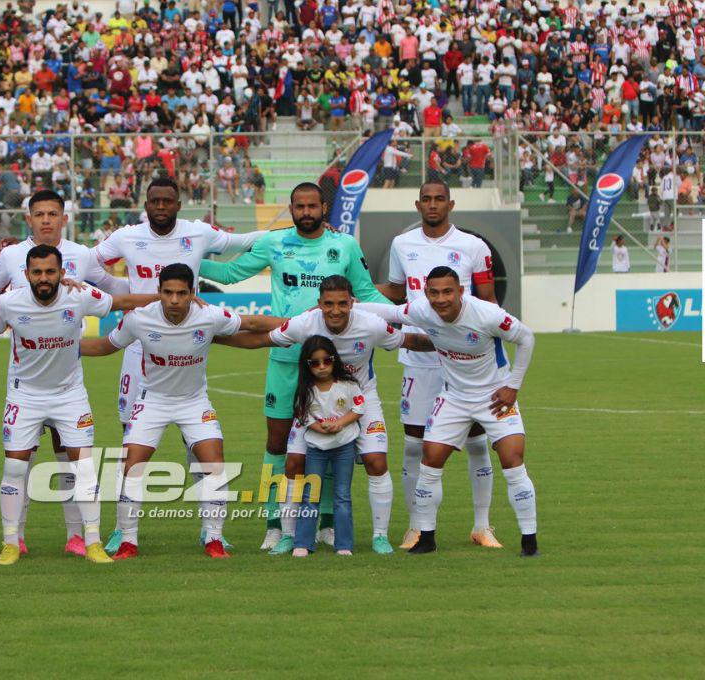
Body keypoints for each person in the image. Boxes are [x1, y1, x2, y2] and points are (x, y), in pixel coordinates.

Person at [198, 182, 389, 551]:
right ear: (291, 208)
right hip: (286, 358)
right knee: (277, 442)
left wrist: (413, 313)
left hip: (333, 366)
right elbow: (228, 274)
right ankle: (275, 523)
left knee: (335, 439)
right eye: (299, 206)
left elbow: (366, 294)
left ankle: (328, 525)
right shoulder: (274, 243)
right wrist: (181, 259)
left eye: (312, 206)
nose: (305, 212)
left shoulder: (344, 245)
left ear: (323, 208)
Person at [92, 177, 264, 554]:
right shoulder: (126, 236)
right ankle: (124, 531)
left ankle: (210, 529)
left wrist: (286, 234)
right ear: (146, 202)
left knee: (198, 442)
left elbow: (244, 242)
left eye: (168, 201)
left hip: (185, 335)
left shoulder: (198, 233)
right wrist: (124, 295)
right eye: (155, 201)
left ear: (179, 203)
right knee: (131, 440)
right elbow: (90, 263)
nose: (161, 207)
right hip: (141, 343)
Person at [215, 275, 433, 554]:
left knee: (376, 462)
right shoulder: (305, 323)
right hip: (314, 403)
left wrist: (453, 344)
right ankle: (288, 536)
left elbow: (410, 340)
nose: (335, 310)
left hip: (361, 400)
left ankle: (380, 537)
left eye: (342, 303)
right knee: (293, 464)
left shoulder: (371, 325)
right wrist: (214, 339)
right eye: (328, 304)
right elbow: (262, 339)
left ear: (352, 302)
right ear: (319, 304)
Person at [0, 244, 159, 565]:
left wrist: (163, 299)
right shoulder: (9, 303)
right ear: (26, 275)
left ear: (62, 273)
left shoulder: (80, 296)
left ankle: (93, 541)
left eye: (50, 272)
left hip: (70, 395)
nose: (44, 278)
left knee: (83, 467)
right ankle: (11, 543)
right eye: (37, 272)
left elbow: (122, 302)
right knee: (15, 467)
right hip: (24, 395)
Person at [80, 263, 283, 559]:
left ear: (192, 293)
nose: (174, 300)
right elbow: (104, 346)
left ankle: (213, 539)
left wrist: (304, 323)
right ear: (158, 292)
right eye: (168, 293)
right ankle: (128, 541)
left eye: (181, 293)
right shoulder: (139, 320)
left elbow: (251, 325)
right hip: (153, 401)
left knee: (214, 463)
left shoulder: (209, 316)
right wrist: (63, 345)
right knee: (131, 467)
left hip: (194, 401)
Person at [0, 189, 129, 555]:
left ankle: (80, 537)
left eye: (53, 213)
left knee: (73, 460)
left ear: (64, 218)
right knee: (19, 463)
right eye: (39, 214)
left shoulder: (82, 256)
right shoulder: (10, 257)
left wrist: (166, 293)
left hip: (68, 385)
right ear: (28, 218)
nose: (46, 219)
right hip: (25, 383)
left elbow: (113, 291)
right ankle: (14, 541)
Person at [361, 267, 538, 557]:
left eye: (447, 292)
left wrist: (512, 386)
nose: (441, 299)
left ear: (460, 291)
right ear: (426, 294)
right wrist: (350, 305)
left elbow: (526, 338)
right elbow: (390, 312)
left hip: (494, 397)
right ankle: (426, 537)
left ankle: (529, 541)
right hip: (453, 397)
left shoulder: (487, 314)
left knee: (512, 460)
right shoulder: (422, 311)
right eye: (434, 292)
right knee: (430, 459)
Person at [376, 179, 501, 551]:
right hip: (420, 358)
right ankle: (416, 527)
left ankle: (482, 526)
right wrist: (356, 292)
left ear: (451, 204)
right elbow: (398, 293)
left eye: (439, 200)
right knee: (415, 446)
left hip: (465, 363)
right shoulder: (402, 244)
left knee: (478, 443)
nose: (433, 205)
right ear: (418, 206)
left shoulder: (473, 246)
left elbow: (489, 300)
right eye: (426, 200)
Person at [289, 336, 365, 557]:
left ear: (334, 360)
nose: (322, 367)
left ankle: (343, 545)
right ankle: (302, 543)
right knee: (310, 495)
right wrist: (319, 428)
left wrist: (340, 423)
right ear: (307, 365)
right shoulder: (306, 389)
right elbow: (302, 414)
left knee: (342, 495)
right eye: (315, 363)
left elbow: (358, 408)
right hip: (316, 448)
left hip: (344, 446)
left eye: (326, 361)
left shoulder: (348, 385)